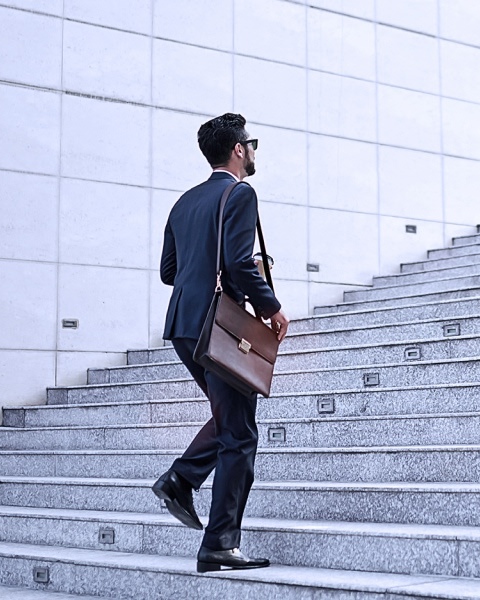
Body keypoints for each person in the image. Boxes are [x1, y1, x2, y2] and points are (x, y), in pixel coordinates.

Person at [151, 113, 289, 573]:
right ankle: (219, 544)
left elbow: (170, 272)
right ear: (238, 150)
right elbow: (238, 263)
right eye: (252, 144)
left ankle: (181, 479)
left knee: (231, 418)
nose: (253, 152)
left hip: (183, 326)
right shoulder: (240, 193)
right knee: (240, 434)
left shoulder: (184, 202)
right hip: (219, 326)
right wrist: (270, 307)